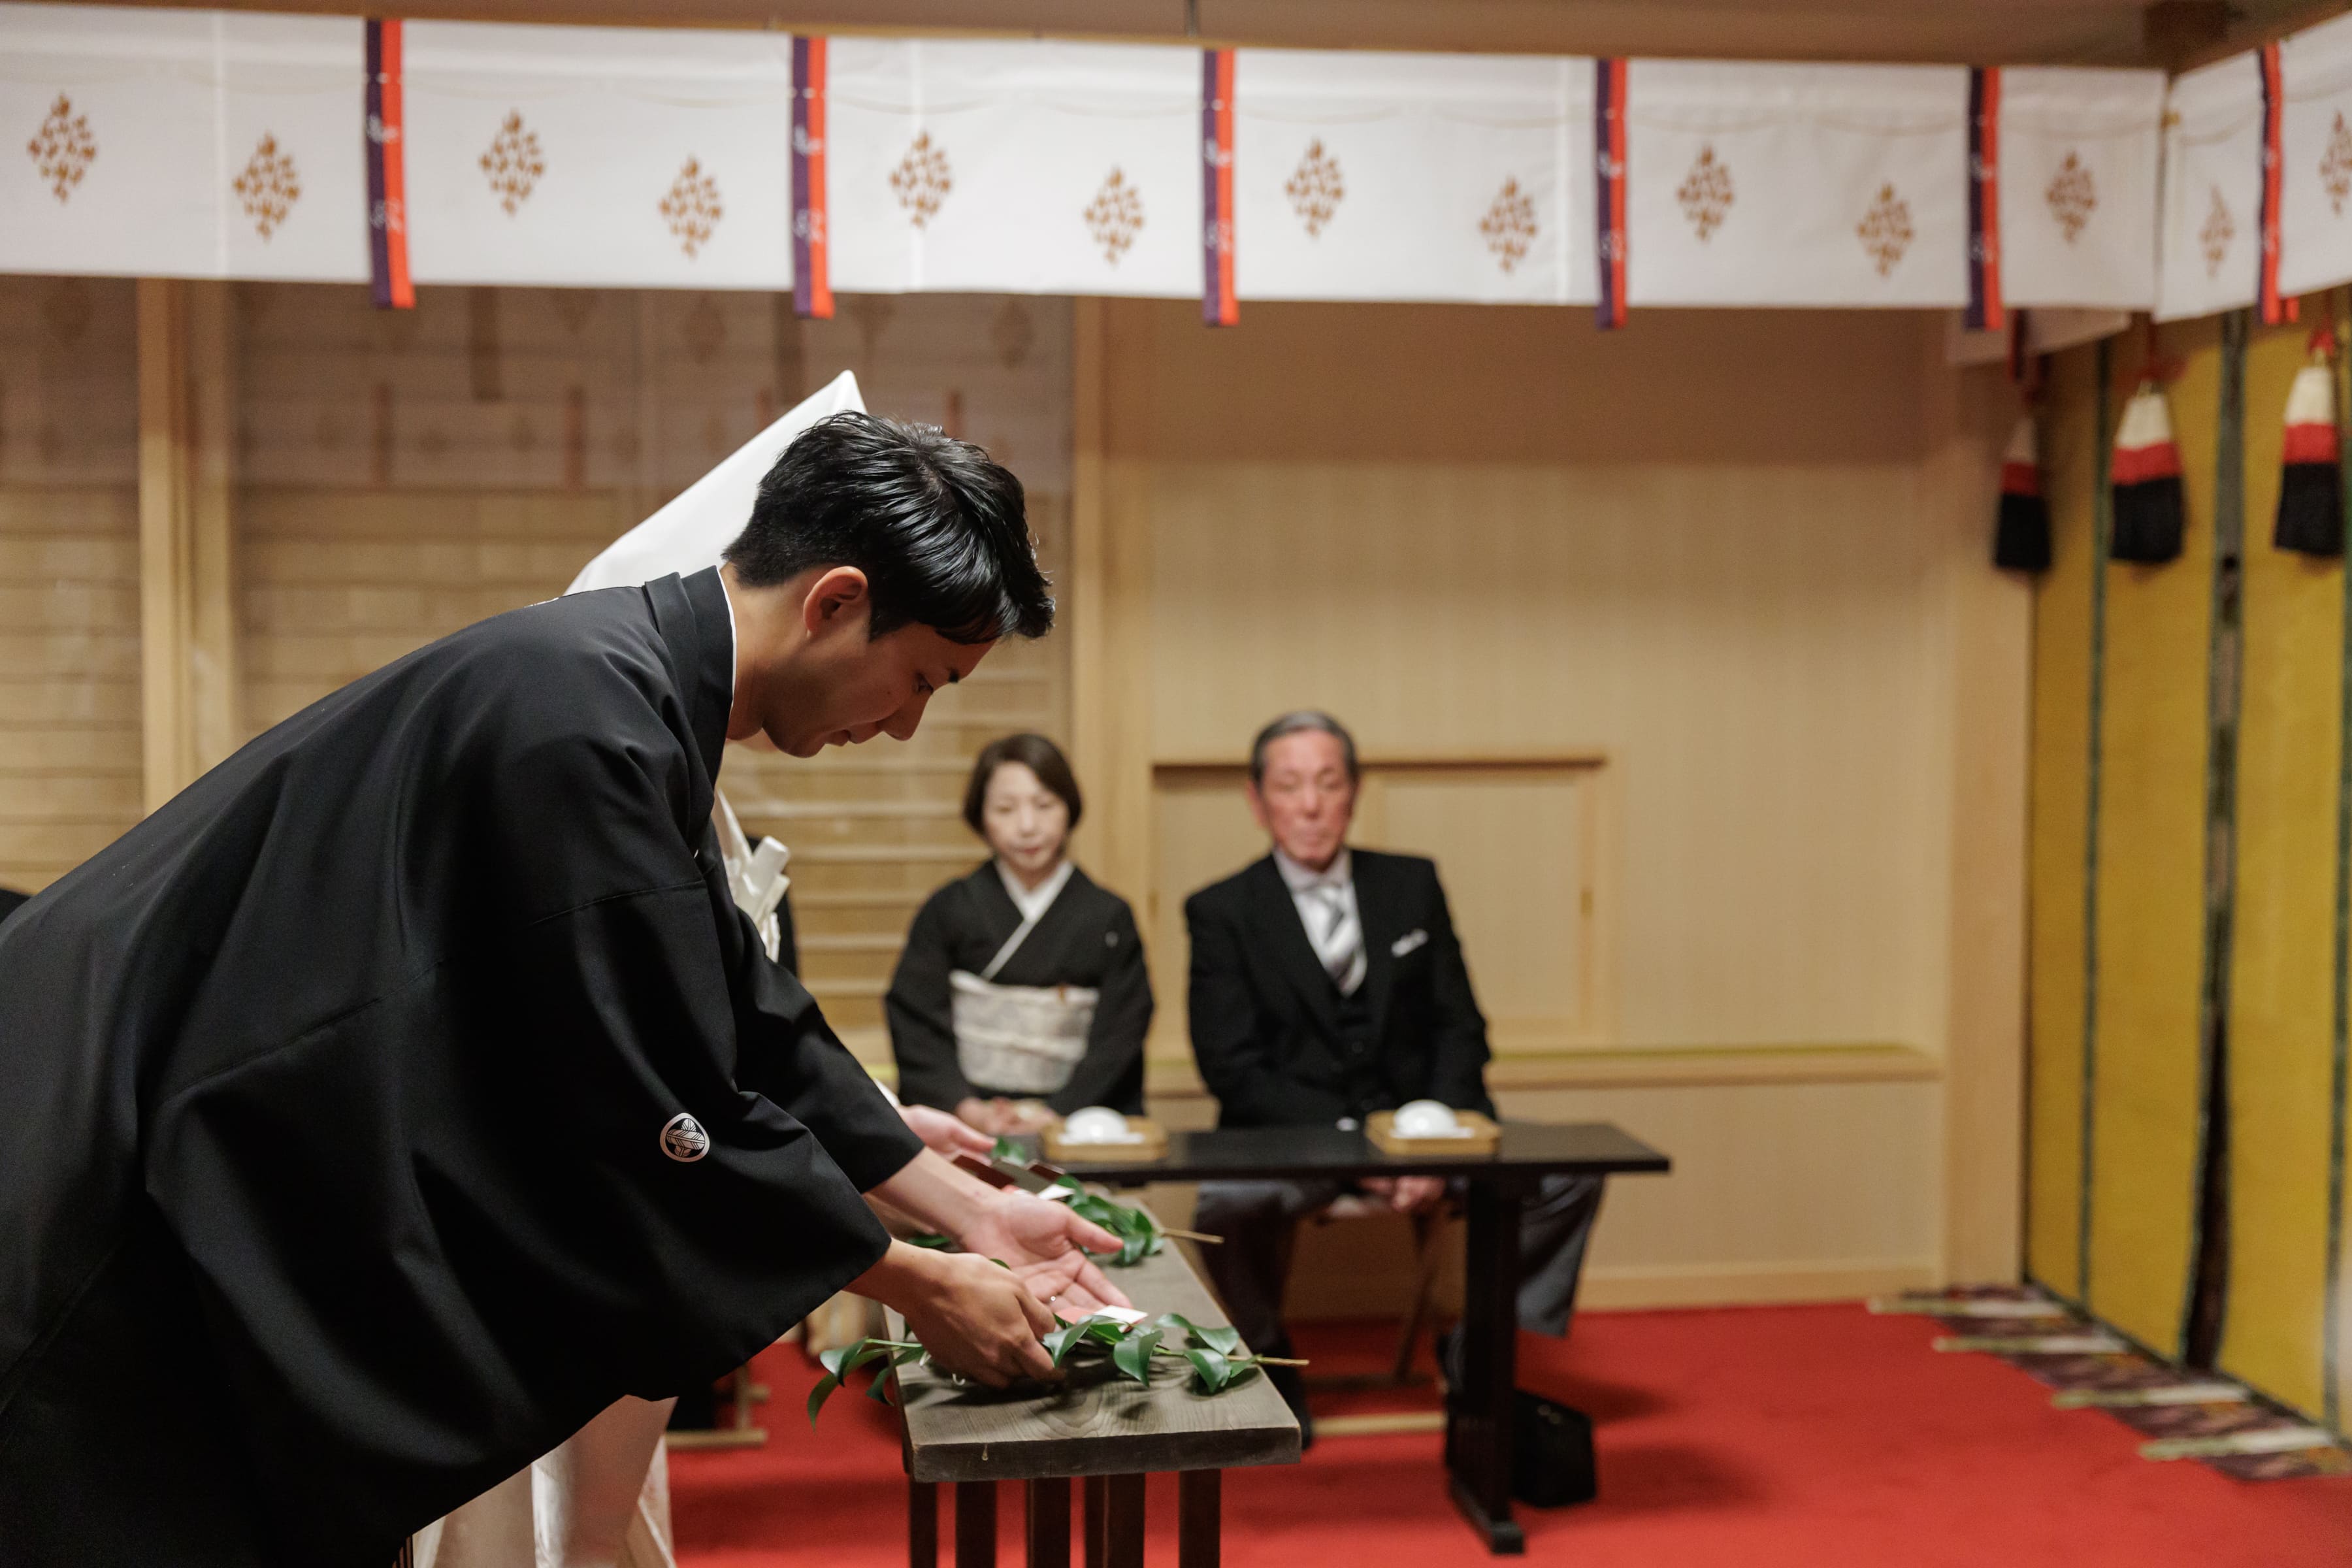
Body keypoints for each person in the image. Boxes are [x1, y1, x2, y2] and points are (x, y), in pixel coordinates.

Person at [0, 412, 1130, 1567]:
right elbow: (645, 1108)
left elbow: (752, 1021)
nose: (902, 726)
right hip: (113, 1199)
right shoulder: (583, 724)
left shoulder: (622, 688)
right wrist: (917, 1282)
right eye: (920, 681)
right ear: (835, 601)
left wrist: (976, 1214)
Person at [1184, 710, 1605, 1441]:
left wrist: (1432, 1140)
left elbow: (1460, 1028)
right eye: (1290, 786)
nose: (1311, 804)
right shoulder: (1223, 910)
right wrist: (1363, 1153)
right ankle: (1270, 1361)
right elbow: (1233, 1069)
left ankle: (1482, 1345)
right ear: (1259, 801)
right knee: (1225, 1207)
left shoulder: (1412, 885)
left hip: (1425, 1132)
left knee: (1571, 1174)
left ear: (1353, 793)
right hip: (1301, 1142)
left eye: (1328, 783)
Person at [887, 734, 1151, 1134]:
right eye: (1006, 809)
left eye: (1045, 805)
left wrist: (1056, 1114)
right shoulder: (950, 908)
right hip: (972, 1118)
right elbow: (915, 1018)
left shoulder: (1107, 916)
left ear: (1070, 809)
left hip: (1074, 1121)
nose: (1028, 827)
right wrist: (969, 1110)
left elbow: (1121, 1030)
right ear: (980, 817)